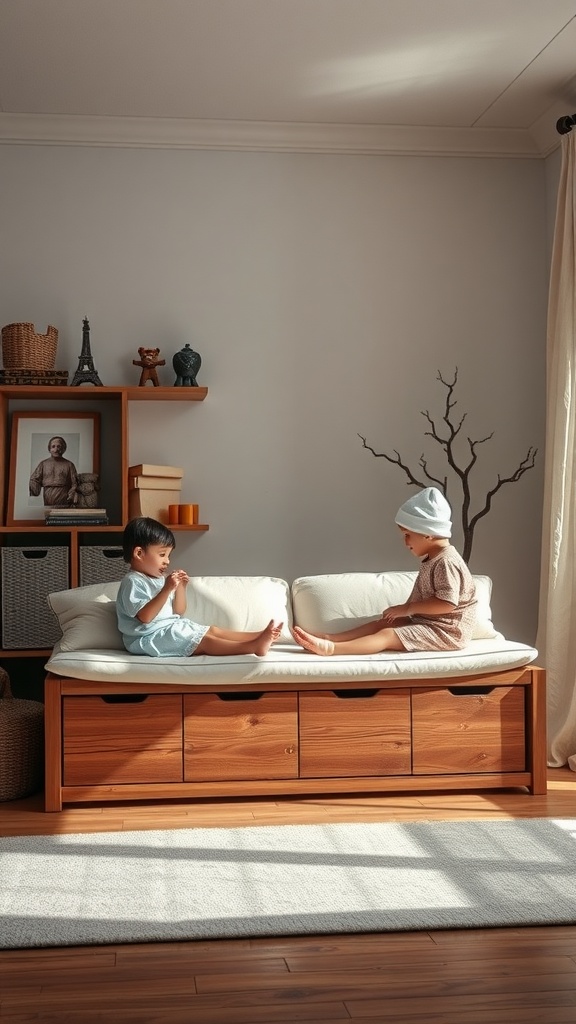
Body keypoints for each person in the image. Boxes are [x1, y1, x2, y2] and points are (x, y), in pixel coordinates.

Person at [292, 487, 477, 656]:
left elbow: (447, 603)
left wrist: (407, 609)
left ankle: (332, 649)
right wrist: (406, 611)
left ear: (427, 533)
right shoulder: (435, 559)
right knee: (383, 624)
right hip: (430, 623)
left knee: (388, 635)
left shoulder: (447, 562)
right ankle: (329, 638)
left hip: (447, 632)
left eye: (408, 535)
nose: (406, 543)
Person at [117, 516, 283, 657]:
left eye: (169, 555)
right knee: (204, 641)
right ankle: (252, 647)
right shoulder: (133, 581)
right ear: (139, 553)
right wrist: (167, 589)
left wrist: (181, 587)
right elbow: (145, 617)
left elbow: (178, 611)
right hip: (147, 639)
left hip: (169, 628)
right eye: (162, 555)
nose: (167, 561)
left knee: (212, 630)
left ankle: (258, 636)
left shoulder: (160, 579)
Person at [29, 436, 78, 507]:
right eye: (53, 446)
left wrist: (73, 492)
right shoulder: (43, 464)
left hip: (64, 495)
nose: (56, 449)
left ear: (63, 449)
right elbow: (35, 479)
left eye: (59, 446)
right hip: (48, 494)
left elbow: (75, 483)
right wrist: (33, 488)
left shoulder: (69, 465)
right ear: (49, 449)